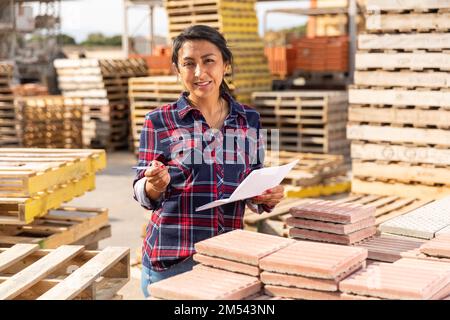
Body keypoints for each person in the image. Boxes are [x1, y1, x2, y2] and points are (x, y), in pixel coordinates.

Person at [133, 25, 284, 298]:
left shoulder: (248, 120)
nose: (200, 73)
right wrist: (154, 184)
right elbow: (142, 193)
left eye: (209, 61)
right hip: (173, 261)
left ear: (225, 65)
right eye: (189, 64)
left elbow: (251, 183)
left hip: (227, 260)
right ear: (177, 70)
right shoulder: (159, 121)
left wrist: (266, 194)